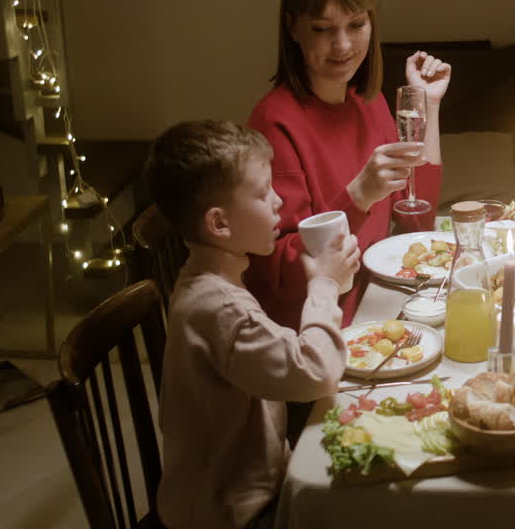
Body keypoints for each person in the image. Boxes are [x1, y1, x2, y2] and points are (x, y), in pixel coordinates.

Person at [147, 120, 359, 529]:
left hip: (245, 483)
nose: (279, 202)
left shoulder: (211, 279)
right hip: (230, 512)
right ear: (220, 224)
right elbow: (314, 373)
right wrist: (324, 287)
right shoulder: (220, 306)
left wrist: (328, 287)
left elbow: (281, 358)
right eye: (263, 193)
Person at [247, 0, 451, 330]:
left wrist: (430, 106)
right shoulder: (274, 123)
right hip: (314, 331)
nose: (342, 45)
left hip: (376, 307)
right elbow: (282, 270)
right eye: (322, 29)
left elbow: (417, 219)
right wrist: (359, 196)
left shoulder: (367, 103)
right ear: (292, 27)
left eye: (355, 24)